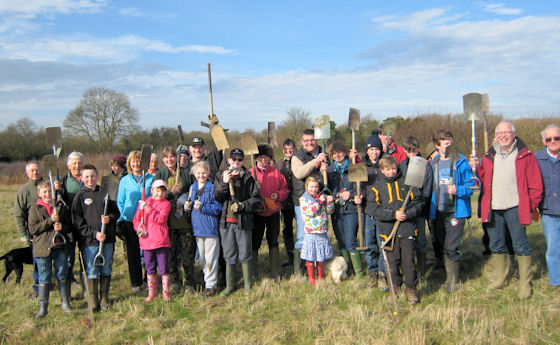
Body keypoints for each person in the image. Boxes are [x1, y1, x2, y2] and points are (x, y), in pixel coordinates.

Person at [470, 121, 542, 299]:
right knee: (496, 243)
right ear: (495, 135)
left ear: (514, 134)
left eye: (506, 132)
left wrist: (531, 205)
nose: (503, 135)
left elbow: (535, 184)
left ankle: (525, 282)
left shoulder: (525, 155)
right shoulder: (489, 155)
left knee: (520, 245)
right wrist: (475, 167)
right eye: (499, 132)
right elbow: (482, 178)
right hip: (493, 208)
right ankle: (501, 278)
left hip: (516, 207)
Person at [364, 156, 423, 304]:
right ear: (382, 170)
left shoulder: (407, 183)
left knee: (408, 261)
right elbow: (371, 208)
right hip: (388, 232)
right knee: (392, 262)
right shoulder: (377, 186)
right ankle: (395, 287)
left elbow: (418, 202)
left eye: (393, 169)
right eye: (388, 169)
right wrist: (392, 215)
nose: (391, 172)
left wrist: (407, 214)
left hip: (407, 229)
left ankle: (411, 289)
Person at [429, 129, 474, 292]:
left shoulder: (461, 162)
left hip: (455, 211)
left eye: (450, 142)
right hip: (438, 211)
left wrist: (458, 189)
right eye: (445, 143)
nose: (449, 146)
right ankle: (448, 276)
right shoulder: (433, 164)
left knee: (451, 246)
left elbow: (472, 185)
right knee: (442, 245)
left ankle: (453, 281)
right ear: (437, 146)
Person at [71, 164, 120, 311]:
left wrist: (109, 218)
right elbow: (77, 221)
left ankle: (104, 298)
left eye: (92, 176)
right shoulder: (80, 196)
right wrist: (94, 233)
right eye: (86, 176)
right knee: (92, 269)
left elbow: (116, 213)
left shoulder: (105, 193)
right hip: (90, 241)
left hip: (107, 239)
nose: (90, 179)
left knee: (106, 268)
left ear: (97, 176)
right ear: (81, 178)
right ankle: (93, 300)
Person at [214, 148, 261, 296]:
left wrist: (243, 205)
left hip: (243, 222)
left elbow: (256, 199)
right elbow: (217, 196)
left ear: (243, 161)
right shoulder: (220, 176)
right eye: (233, 159)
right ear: (228, 161)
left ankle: (248, 285)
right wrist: (224, 182)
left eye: (239, 160)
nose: (236, 162)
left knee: (245, 252)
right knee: (229, 253)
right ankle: (230, 286)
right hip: (226, 222)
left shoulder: (248, 178)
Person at [28, 180, 73, 318]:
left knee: (62, 275)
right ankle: (43, 308)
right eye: (45, 192)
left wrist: (62, 228)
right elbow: (33, 229)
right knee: (45, 277)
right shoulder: (35, 209)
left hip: (60, 247)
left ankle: (65, 304)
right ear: (39, 194)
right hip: (43, 249)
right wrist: (49, 221)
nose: (48, 194)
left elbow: (70, 226)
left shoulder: (61, 207)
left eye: (50, 191)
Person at [154, 146, 195, 294]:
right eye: (166, 158)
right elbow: (156, 197)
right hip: (167, 221)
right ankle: (175, 281)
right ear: (163, 159)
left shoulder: (185, 172)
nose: (169, 160)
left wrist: (185, 196)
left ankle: (189, 281)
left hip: (184, 220)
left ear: (177, 158)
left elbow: (193, 189)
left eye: (172, 157)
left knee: (187, 251)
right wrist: (171, 194)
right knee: (170, 252)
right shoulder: (160, 175)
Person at [291, 129, 329, 275]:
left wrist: (326, 168)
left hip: (320, 201)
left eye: (312, 140)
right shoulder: (297, 156)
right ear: (301, 142)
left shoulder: (324, 154)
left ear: (317, 140)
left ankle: (318, 268)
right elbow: (299, 173)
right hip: (303, 202)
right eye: (306, 140)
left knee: (319, 235)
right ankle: (299, 270)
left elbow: (328, 176)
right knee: (302, 236)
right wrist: (316, 161)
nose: (309, 143)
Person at [249, 143, 289, 278]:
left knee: (273, 239)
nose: (264, 160)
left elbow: (285, 190)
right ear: (256, 158)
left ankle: (275, 270)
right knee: (255, 241)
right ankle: (252, 271)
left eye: (266, 157)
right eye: (261, 157)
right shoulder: (250, 174)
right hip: (257, 213)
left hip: (273, 212)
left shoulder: (276, 173)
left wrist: (278, 195)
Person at [117, 150, 154, 294]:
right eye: (133, 161)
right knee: (133, 254)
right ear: (129, 164)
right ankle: (136, 283)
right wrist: (122, 217)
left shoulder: (150, 178)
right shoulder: (125, 180)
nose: (136, 164)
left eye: (138, 161)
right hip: (130, 221)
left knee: (148, 253)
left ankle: (148, 280)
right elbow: (120, 201)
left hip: (148, 221)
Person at [327, 141, 364, 278]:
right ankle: (346, 269)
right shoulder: (330, 170)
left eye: (340, 152)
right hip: (337, 210)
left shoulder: (354, 166)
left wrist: (352, 194)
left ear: (346, 152)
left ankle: (359, 273)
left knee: (350, 240)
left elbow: (361, 187)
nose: (338, 155)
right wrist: (333, 196)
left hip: (351, 209)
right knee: (341, 241)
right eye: (335, 153)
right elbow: (326, 190)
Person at [186, 161, 223, 296]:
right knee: (201, 259)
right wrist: (188, 208)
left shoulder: (212, 188)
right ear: (194, 174)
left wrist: (203, 207)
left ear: (208, 173)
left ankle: (211, 285)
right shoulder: (192, 188)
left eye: (204, 173)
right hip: (197, 229)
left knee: (211, 258)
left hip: (210, 229)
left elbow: (218, 208)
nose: (201, 175)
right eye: (198, 173)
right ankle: (208, 280)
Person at [399, 136, 433, 280]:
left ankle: (421, 272)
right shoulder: (402, 166)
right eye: (408, 151)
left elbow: (427, 190)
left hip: (419, 209)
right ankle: (408, 269)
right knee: (407, 240)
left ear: (418, 149)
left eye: (414, 151)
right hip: (404, 209)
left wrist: (418, 204)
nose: (412, 154)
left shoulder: (425, 166)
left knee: (420, 241)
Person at [133, 179, 172, 302]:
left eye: (162, 191)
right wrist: (139, 228)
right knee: (149, 268)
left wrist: (149, 209)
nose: (159, 194)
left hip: (161, 241)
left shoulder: (166, 204)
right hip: (147, 242)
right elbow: (137, 219)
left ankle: (166, 293)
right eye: (156, 191)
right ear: (152, 191)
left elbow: (160, 219)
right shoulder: (145, 202)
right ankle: (152, 293)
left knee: (164, 268)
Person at [361, 131, 388, 290]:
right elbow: (359, 187)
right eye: (371, 149)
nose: (374, 152)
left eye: (376, 149)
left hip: (383, 211)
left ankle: (383, 274)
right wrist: (358, 196)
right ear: (367, 150)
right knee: (369, 243)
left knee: (382, 242)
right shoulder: (362, 166)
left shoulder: (386, 165)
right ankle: (372, 273)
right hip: (368, 210)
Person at [13, 161, 43, 296]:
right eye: (32, 171)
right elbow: (18, 214)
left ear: (41, 171)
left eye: (37, 170)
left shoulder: (48, 186)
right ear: (27, 173)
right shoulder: (24, 191)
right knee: (36, 260)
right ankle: (38, 288)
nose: (35, 173)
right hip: (34, 233)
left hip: (51, 231)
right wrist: (23, 234)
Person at [58, 151, 85, 298]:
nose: (77, 166)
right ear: (68, 165)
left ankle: (87, 289)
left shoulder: (88, 179)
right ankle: (67, 293)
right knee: (69, 259)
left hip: (85, 226)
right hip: (68, 226)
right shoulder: (62, 182)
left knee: (85, 258)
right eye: (74, 163)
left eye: (79, 163)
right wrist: (56, 189)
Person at [536, 124, 560, 288]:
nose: (553, 141)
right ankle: (556, 281)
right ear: (544, 141)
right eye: (549, 139)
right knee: (553, 247)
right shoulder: (536, 158)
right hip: (548, 212)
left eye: (556, 138)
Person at [300, 176, 335, 285]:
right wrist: (319, 202)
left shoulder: (322, 196)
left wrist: (329, 202)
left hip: (322, 231)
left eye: (316, 187)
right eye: (311, 187)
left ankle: (320, 276)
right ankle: (311, 278)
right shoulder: (304, 199)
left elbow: (330, 211)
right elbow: (310, 212)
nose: (314, 189)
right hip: (311, 232)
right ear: (306, 187)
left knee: (321, 256)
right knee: (310, 256)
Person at [277, 139, 296, 267]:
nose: (288, 151)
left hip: (299, 201)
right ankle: (291, 257)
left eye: (291, 149)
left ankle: (304, 258)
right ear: (283, 150)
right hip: (285, 203)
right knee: (287, 229)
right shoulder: (279, 164)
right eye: (286, 149)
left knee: (302, 229)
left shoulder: (299, 161)